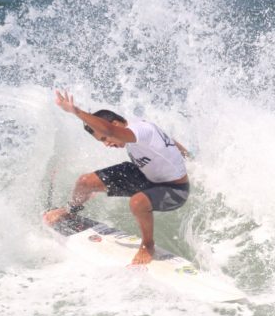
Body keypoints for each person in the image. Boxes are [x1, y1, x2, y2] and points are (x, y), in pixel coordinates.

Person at [43, 90, 190, 265]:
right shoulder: (139, 129)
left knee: (137, 203)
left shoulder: (140, 130)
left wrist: (76, 111)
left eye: (106, 138)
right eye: (102, 141)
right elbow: (170, 141)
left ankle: (148, 245)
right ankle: (70, 210)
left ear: (116, 124)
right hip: (145, 175)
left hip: (174, 189)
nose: (107, 144)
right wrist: (189, 156)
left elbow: (110, 130)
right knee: (85, 182)